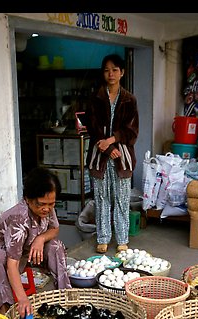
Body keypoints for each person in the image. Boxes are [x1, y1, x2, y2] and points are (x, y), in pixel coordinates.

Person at [0, 167, 71, 317]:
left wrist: (40, 239)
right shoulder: (19, 218)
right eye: (42, 204)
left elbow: (54, 230)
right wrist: (22, 299)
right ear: (28, 199)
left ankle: (65, 298)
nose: (47, 209)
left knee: (56, 246)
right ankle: (7, 312)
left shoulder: (46, 206)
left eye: (51, 204)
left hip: (25, 251)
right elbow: (12, 264)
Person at [85, 54, 139, 254]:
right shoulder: (95, 98)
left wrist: (112, 139)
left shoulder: (129, 100)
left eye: (115, 70)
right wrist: (107, 147)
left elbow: (132, 131)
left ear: (122, 72)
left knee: (122, 199)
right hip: (99, 156)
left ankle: (122, 238)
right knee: (101, 198)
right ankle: (103, 237)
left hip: (122, 157)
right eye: (107, 70)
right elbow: (92, 127)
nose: (111, 74)